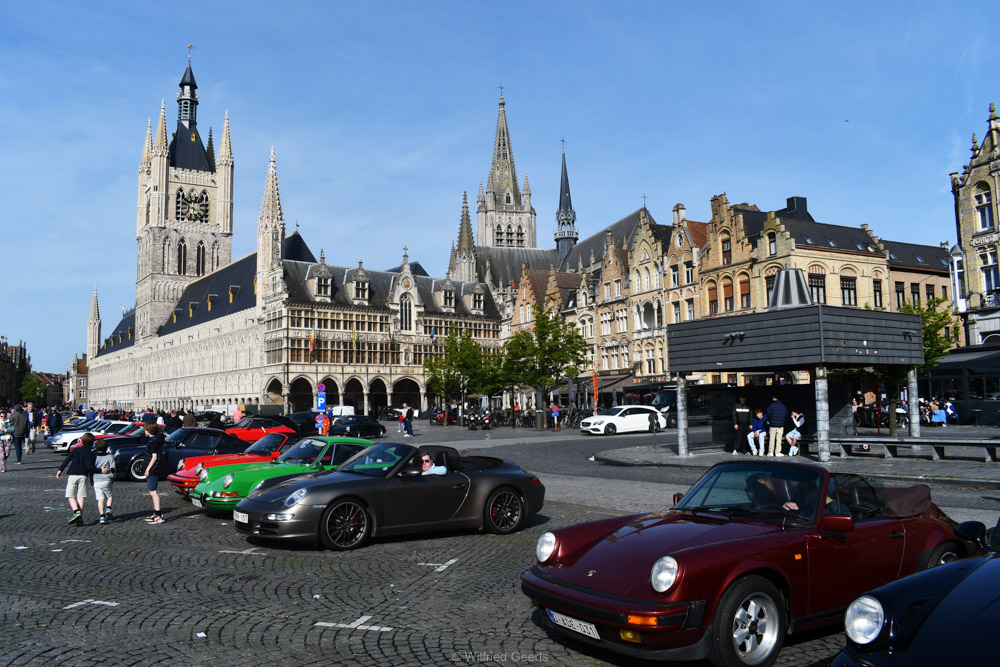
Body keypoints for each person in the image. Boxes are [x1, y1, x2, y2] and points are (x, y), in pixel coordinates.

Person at [56, 432, 104, 524]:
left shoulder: (76, 450)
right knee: (81, 496)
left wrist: (60, 470)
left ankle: (76, 511)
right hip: (83, 475)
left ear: (81, 441)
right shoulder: (92, 453)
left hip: (73, 474)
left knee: (70, 495)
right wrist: (92, 479)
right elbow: (91, 467)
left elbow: (67, 460)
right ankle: (80, 518)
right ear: (93, 443)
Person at [143, 423, 166, 524]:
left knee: (153, 492)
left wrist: (147, 469)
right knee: (152, 491)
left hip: (153, 469)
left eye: (145, 430)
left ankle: (158, 515)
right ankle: (156, 513)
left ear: (148, 431)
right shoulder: (156, 440)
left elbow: (154, 457)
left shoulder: (152, 442)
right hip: (156, 468)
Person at [93, 438, 116, 523]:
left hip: (97, 479)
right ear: (107, 448)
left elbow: (92, 468)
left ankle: (102, 517)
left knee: (100, 499)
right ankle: (108, 508)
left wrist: (91, 479)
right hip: (106, 478)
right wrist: (112, 477)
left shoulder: (94, 457)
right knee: (109, 495)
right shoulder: (109, 456)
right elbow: (113, 468)